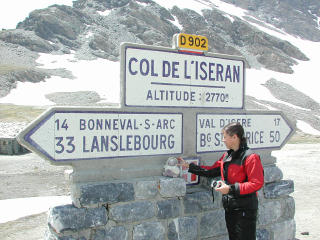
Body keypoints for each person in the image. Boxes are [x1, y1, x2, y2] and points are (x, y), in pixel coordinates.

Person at [178, 122, 264, 240]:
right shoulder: (227, 156)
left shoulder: (250, 157)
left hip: (245, 209)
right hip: (230, 207)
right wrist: (189, 166)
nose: (223, 140)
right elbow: (211, 171)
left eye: (224, 136)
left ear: (234, 137)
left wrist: (230, 189)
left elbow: (256, 183)